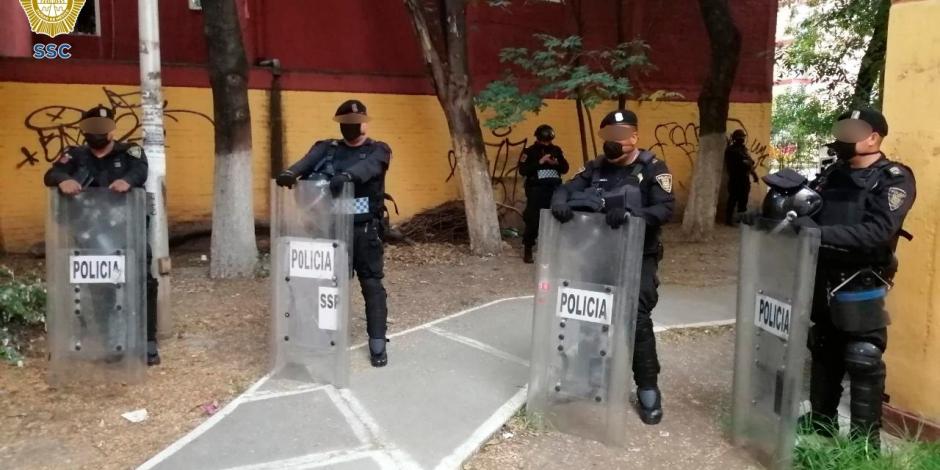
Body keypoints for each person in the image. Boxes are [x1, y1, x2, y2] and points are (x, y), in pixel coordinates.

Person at [796, 109, 916, 452]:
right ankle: (822, 421)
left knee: (863, 356)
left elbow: (879, 231)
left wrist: (818, 233)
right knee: (823, 348)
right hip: (822, 275)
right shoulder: (833, 174)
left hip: (860, 279)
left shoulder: (892, 178)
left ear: (874, 137)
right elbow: (810, 210)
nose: (843, 138)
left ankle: (865, 444)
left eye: (853, 132)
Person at [550, 109, 675, 424]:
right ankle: (589, 379)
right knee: (591, 315)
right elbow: (566, 187)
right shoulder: (594, 168)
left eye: (621, 135)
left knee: (636, 319)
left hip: (638, 256)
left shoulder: (652, 168)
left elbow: (665, 207)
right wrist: (561, 201)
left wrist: (637, 218)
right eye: (609, 136)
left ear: (633, 137)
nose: (614, 142)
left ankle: (648, 386)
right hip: (598, 254)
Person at [275, 100, 392, 367]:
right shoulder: (327, 149)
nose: (351, 129)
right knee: (329, 288)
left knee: (371, 286)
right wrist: (290, 173)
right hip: (331, 232)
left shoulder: (378, 150)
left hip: (364, 232)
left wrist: (348, 177)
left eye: (355, 123)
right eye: (345, 125)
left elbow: (370, 168)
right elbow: (306, 163)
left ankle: (377, 343)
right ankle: (329, 339)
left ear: (365, 123)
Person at [43, 105, 161, 366]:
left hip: (129, 233)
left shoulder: (129, 152)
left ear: (112, 130)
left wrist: (127, 181)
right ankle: (112, 342)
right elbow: (50, 174)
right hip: (92, 235)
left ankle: (147, 342)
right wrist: (63, 179)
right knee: (101, 288)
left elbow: (141, 171)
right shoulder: (75, 155)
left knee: (143, 283)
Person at [518, 124, 569, 263]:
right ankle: (528, 249)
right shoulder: (529, 151)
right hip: (536, 190)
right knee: (533, 220)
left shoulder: (556, 150)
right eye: (544, 141)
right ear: (538, 138)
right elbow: (523, 170)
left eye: (548, 141)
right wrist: (540, 162)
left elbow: (565, 168)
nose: (546, 144)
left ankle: (553, 251)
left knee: (555, 218)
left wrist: (555, 163)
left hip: (554, 189)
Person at [724, 129, 759, 225]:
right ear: (735, 138)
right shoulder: (731, 150)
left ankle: (741, 220)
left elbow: (750, 162)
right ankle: (728, 220)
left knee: (743, 201)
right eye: (740, 137)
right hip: (735, 179)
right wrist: (745, 162)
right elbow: (741, 162)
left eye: (743, 137)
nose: (742, 139)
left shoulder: (743, 149)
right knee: (732, 200)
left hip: (744, 178)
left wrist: (754, 174)